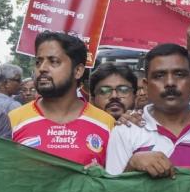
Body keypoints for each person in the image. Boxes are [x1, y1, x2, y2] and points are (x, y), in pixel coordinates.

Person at [106, 43, 190, 179]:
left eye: (179, 74)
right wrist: (132, 166)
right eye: (159, 76)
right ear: (146, 86)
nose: (170, 82)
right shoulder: (126, 131)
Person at [9, 31, 115, 166]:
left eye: (53, 61)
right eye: (38, 62)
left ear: (78, 71)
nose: (42, 68)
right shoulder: (13, 120)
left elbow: (116, 181)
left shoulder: (106, 124)